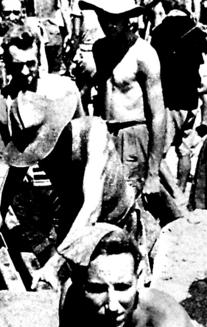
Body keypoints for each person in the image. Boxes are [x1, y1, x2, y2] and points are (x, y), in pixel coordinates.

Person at [0, 23, 157, 290]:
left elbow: (91, 209)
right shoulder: (33, 129)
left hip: (117, 224)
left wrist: (54, 266)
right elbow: (3, 198)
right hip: (76, 222)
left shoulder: (95, 137)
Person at [50, 224, 207, 327]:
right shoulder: (74, 297)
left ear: (139, 277)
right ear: (80, 284)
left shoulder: (166, 320)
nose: (113, 306)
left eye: (122, 287)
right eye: (97, 289)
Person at [80, 0, 184, 225]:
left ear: (127, 18)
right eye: (102, 17)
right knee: (102, 202)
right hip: (105, 133)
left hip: (133, 135)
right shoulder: (100, 49)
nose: (108, 24)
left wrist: (154, 173)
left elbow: (158, 114)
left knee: (132, 207)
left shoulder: (144, 54)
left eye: (114, 18)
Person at [151, 0, 207, 193]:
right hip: (191, 100)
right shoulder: (196, 31)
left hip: (170, 100)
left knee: (159, 152)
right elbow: (201, 61)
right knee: (185, 151)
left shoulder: (159, 32)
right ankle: (183, 189)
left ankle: (173, 193)